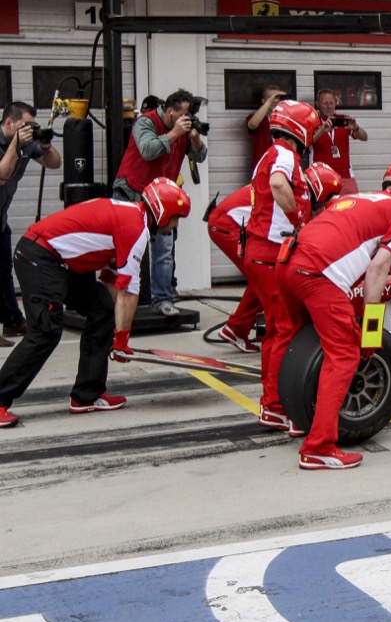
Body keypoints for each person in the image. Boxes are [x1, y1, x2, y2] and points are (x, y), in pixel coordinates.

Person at [0, 178, 191, 428]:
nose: (176, 225)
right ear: (163, 212)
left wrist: (116, 333)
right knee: (46, 331)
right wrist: (121, 340)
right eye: (176, 218)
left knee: (101, 310)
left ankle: (87, 395)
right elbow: (129, 292)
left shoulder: (131, 216)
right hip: (41, 256)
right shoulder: (136, 228)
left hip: (59, 261)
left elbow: (112, 280)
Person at [276, 158, 391, 469]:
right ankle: (319, 447)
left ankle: (299, 417)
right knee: (344, 355)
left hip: (286, 263)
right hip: (316, 275)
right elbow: (377, 270)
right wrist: (371, 334)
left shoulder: (355, 198)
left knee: (302, 343)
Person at [242, 99, 321, 434]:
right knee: (287, 331)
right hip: (272, 250)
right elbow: (278, 185)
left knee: (274, 331)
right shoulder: (285, 155)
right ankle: (282, 408)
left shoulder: (269, 152)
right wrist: (299, 219)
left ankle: (271, 405)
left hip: (257, 251)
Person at [206, 162, 343, 354]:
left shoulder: (294, 186)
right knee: (264, 274)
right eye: (324, 200)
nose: (321, 207)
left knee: (262, 275)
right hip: (227, 224)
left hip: (226, 222)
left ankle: (239, 328)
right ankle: (243, 328)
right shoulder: (294, 196)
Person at [111, 89, 208, 317]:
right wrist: (175, 132)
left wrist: (194, 139)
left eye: (189, 115)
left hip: (162, 198)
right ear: (169, 111)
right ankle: (116, 300)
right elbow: (148, 151)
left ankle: (162, 299)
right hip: (132, 192)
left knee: (164, 250)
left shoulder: (184, 129)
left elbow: (200, 157)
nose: (187, 119)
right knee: (124, 251)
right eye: (183, 114)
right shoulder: (145, 123)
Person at [0, 102, 62, 342]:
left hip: (1, 219)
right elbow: (3, 175)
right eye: (24, 126)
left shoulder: (27, 145)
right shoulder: (14, 145)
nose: (29, 131)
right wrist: (15, 145)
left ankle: (13, 322)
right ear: (8, 123)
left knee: (4, 272)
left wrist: (44, 144)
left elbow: (54, 162)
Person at [312, 87, 368, 195]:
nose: (329, 106)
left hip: (345, 176)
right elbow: (305, 144)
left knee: (352, 207)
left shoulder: (343, 120)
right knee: (325, 211)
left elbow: (364, 137)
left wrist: (356, 127)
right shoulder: (313, 121)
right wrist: (321, 131)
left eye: (332, 103)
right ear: (317, 104)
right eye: (325, 103)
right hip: (321, 176)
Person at [245, 85, 287, 166]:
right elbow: (253, 124)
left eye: (277, 97)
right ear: (263, 101)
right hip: (263, 167)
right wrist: (269, 102)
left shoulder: (286, 119)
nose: (274, 101)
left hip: (281, 165)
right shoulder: (257, 118)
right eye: (270, 98)